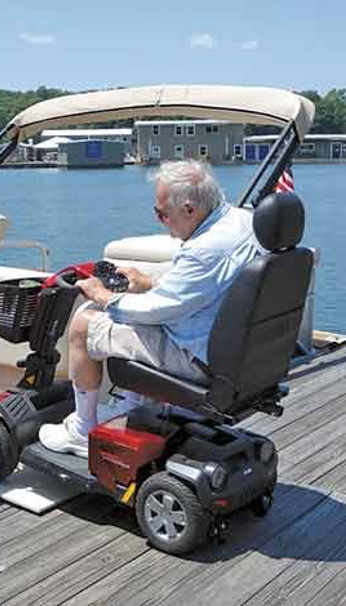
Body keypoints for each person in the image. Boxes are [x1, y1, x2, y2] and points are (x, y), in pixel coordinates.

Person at [39, 159, 262, 457]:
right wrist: (146, 281)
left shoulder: (204, 250)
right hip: (242, 353)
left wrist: (103, 295)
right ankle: (131, 408)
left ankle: (82, 429)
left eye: (162, 213)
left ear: (190, 209)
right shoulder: (242, 221)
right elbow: (197, 289)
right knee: (131, 318)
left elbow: (159, 311)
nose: (160, 220)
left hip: (201, 360)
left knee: (84, 324)